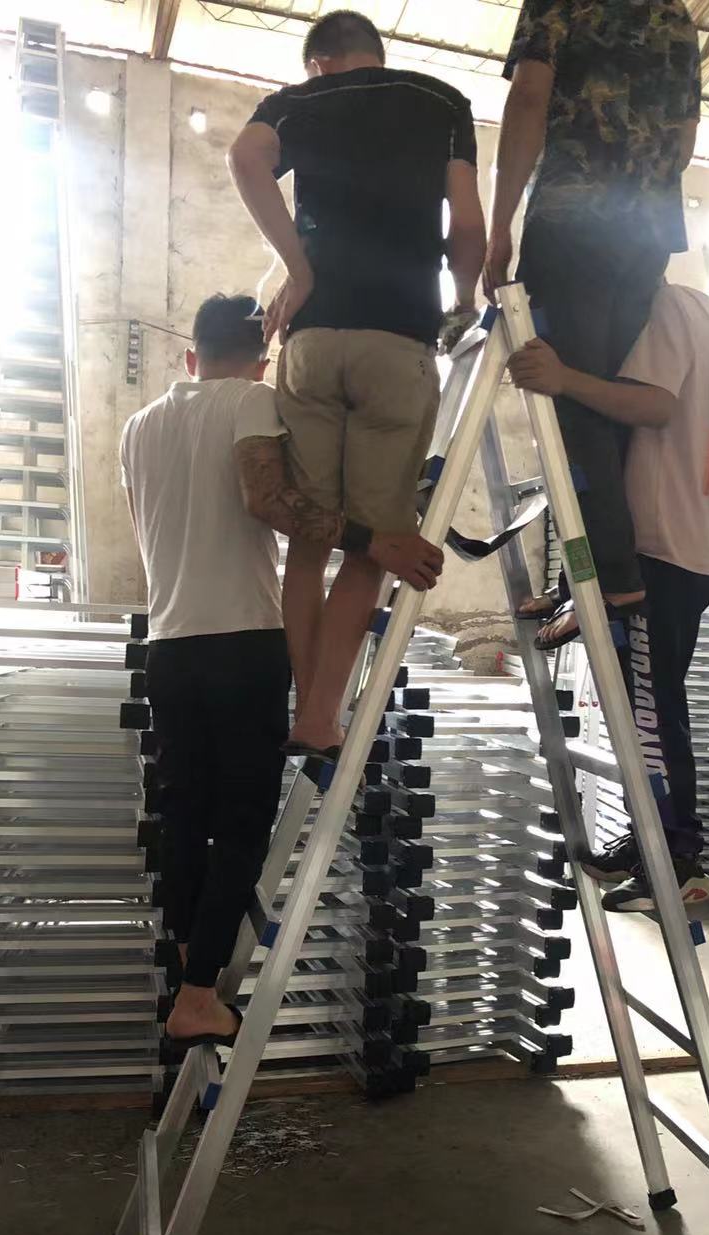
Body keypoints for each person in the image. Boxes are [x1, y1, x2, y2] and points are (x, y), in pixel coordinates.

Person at [121, 294, 444, 1046]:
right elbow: (268, 500)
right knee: (241, 828)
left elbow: (146, 528)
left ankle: (189, 966)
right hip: (242, 644)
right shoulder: (252, 402)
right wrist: (373, 539)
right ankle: (198, 997)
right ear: (262, 361)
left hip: (169, 645)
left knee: (184, 820)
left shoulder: (139, 426)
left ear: (191, 356)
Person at [229, 9, 485, 761]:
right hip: (397, 344)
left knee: (313, 535)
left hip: (312, 343)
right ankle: (320, 715)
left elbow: (244, 159)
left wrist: (298, 267)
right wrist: (461, 300)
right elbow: (467, 227)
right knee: (375, 545)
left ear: (318, 64)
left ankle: (308, 708)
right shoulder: (441, 103)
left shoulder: (297, 103)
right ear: (376, 53)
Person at [509, 282, 709, 911]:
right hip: (676, 542)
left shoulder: (670, 306)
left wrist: (564, 379)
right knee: (643, 710)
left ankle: (677, 858)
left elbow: (653, 407)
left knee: (653, 711)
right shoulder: (693, 310)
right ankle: (650, 841)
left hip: (664, 548)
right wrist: (572, 589)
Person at [484, 0, 701, 616]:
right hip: (647, 236)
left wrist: (500, 227)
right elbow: (684, 140)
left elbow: (529, 98)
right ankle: (585, 577)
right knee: (606, 402)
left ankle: (613, 580)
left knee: (570, 396)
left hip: (574, 218)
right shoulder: (676, 17)